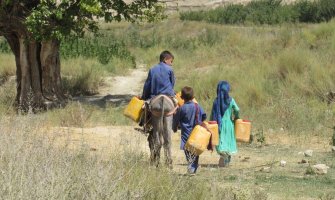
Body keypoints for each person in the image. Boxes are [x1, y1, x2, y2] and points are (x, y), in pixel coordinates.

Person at [173, 86, 207, 174]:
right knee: (196, 151)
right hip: (197, 133)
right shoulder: (197, 106)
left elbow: (176, 120)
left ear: (182, 97)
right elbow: (204, 116)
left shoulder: (181, 108)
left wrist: (174, 128)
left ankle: (191, 166)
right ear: (193, 96)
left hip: (186, 135)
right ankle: (193, 167)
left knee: (188, 152)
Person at [210, 81, 239, 167]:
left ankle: (223, 159)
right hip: (229, 124)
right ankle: (226, 159)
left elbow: (212, 114)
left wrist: (211, 123)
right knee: (228, 141)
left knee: (221, 142)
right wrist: (236, 117)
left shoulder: (216, 101)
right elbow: (237, 110)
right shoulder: (231, 100)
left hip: (219, 125)